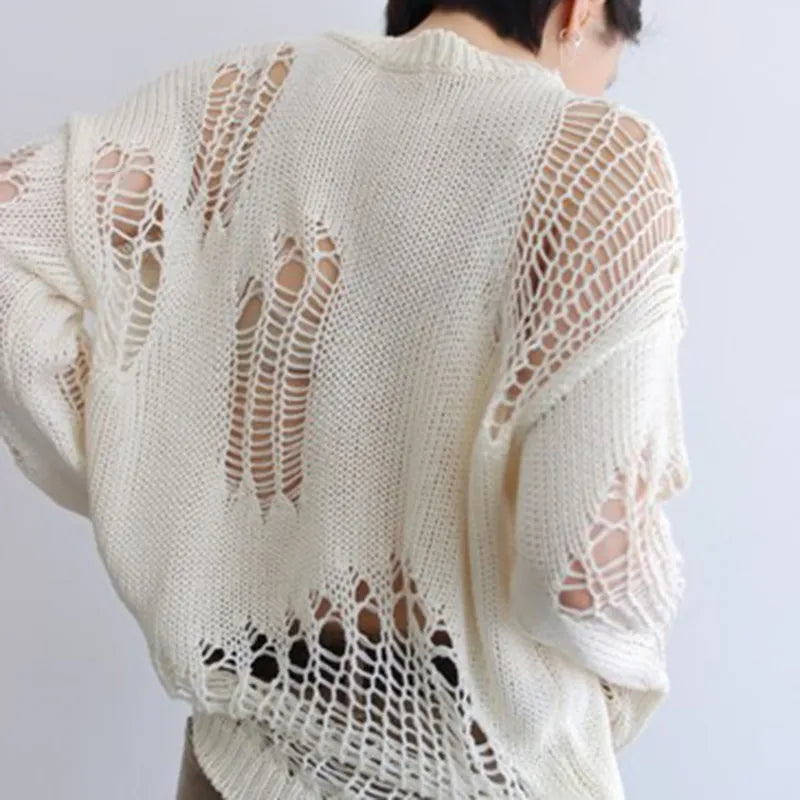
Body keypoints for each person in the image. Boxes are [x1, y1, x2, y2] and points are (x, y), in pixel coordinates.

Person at [0, 1, 692, 798]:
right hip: (473, 769)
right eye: (603, 68)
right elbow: (582, 572)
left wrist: (142, 469)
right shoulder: (601, 160)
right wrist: (640, 653)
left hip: (238, 764)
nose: (589, 97)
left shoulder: (247, 101)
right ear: (579, 12)